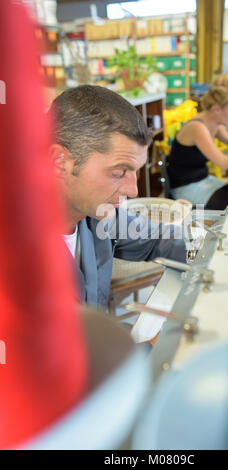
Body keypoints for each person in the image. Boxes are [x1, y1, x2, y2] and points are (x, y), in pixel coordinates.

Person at [49, 85, 187, 310]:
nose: (133, 191)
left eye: (136, 171)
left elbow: (156, 239)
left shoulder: (98, 215)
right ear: (59, 162)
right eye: (118, 173)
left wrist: (207, 250)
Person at [168, 74, 228, 210]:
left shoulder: (215, 124)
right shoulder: (198, 127)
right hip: (185, 187)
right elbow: (223, 162)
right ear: (217, 109)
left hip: (202, 180)